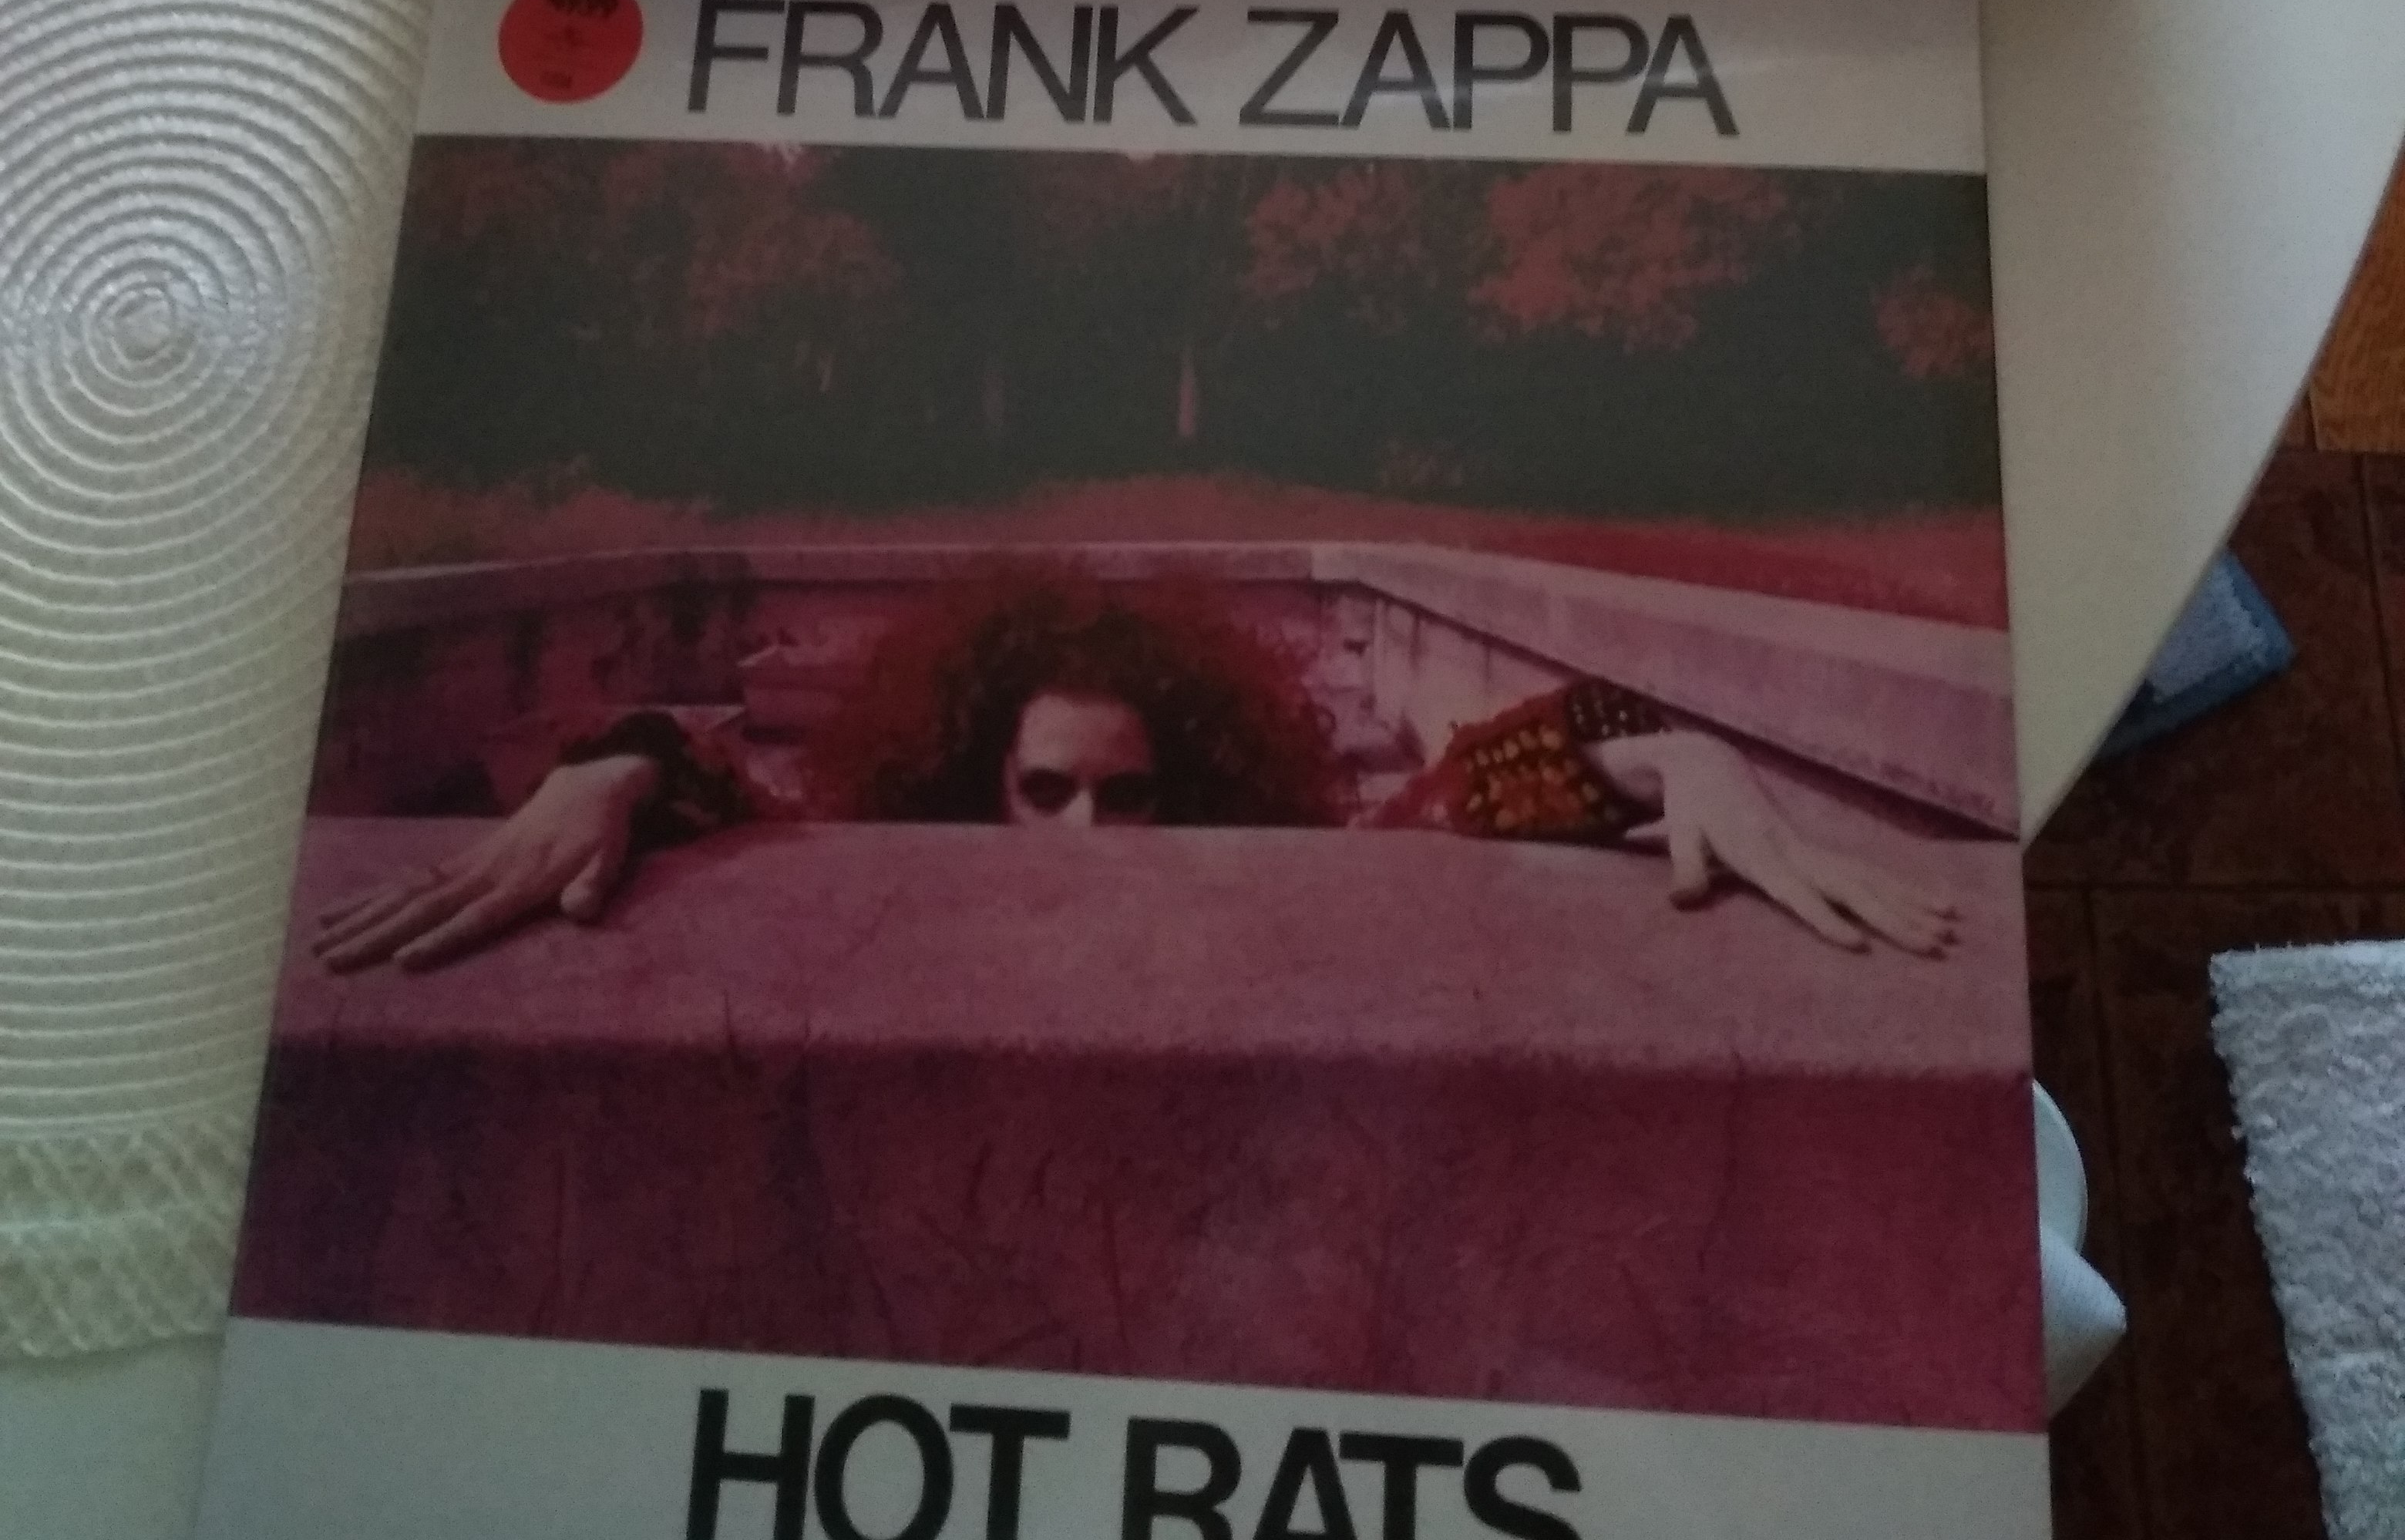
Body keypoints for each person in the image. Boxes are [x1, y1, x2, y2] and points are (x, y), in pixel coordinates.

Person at [313, 567, 1959, 974]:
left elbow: (1462, 791)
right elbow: (730, 794)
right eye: (1047, 791)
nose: (1090, 828)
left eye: (1129, 790)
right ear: (983, 782)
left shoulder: (1275, 881)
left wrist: (1674, 750)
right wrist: (608, 770)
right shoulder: (895, 862)